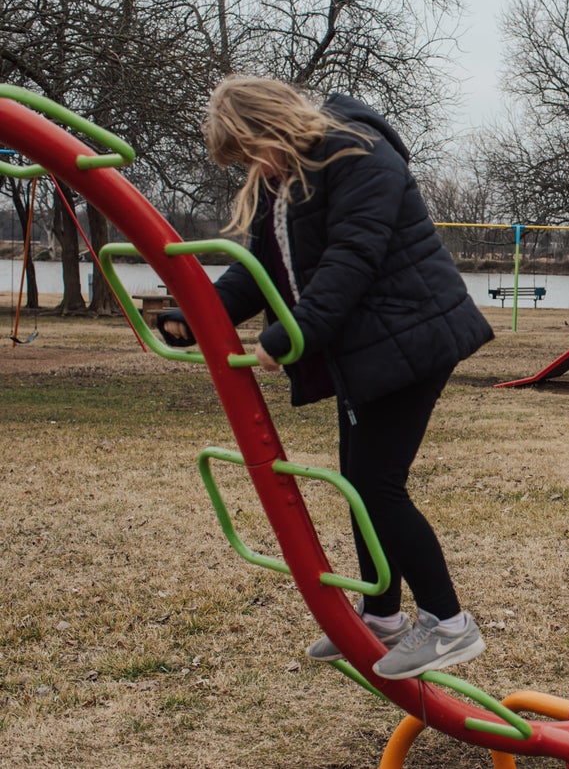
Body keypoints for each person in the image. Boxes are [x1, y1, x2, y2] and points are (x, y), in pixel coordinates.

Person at [157, 75, 494, 678]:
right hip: (368, 348)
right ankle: (383, 615)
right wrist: (197, 316)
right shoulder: (283, 181)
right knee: (360, 480)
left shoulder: (357, 151)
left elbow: (351, 260)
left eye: (252, 149)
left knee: (377, 483)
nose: (254, 165)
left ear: (272, 124)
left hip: (414, 333)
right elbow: (258, 269)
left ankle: (449, 623)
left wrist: (288, 337)